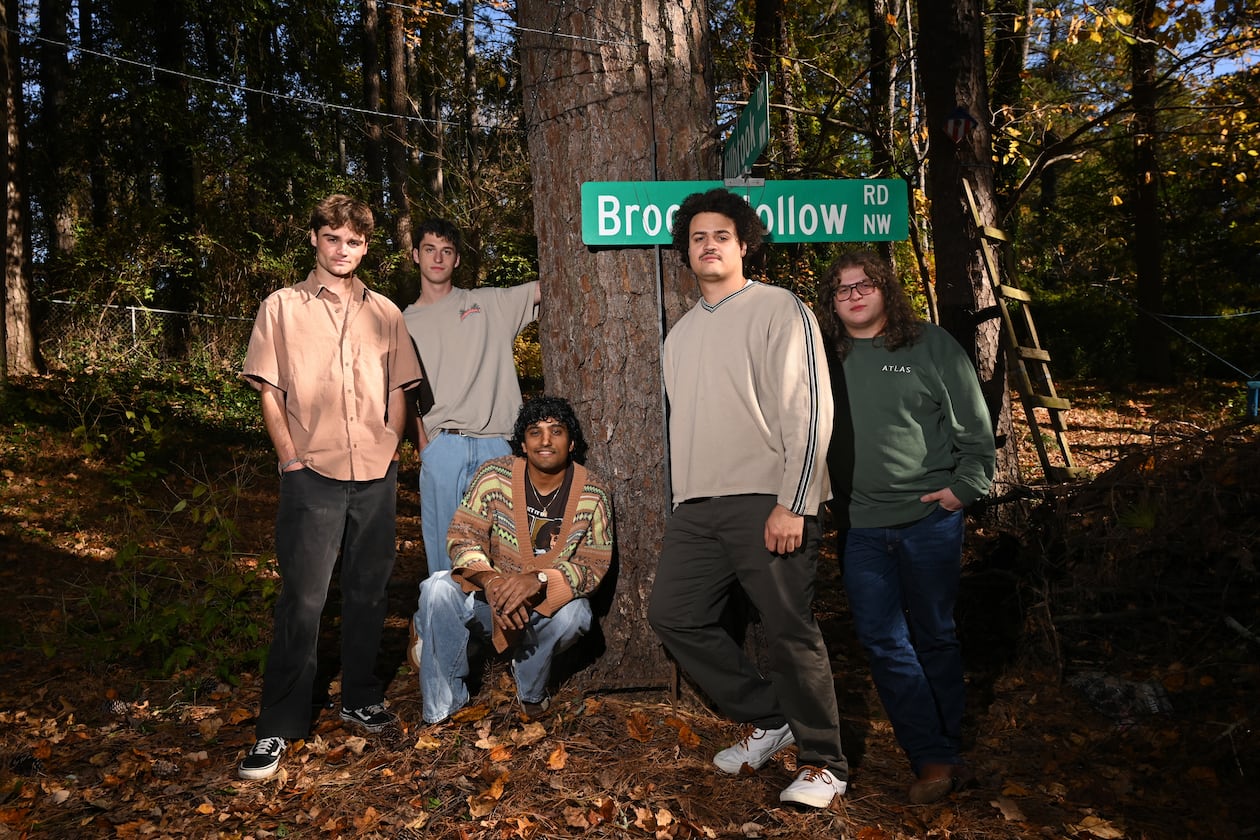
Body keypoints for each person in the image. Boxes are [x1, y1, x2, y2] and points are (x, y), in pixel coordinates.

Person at [647, 188, 849, 809]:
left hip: (769, 499)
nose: (709, 245)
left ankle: (824, 762)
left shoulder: (777, 307)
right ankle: (770, 714)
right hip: (697, 508)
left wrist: (794, 499)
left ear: (744, 245)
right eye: (698, 237)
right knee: (673, 614)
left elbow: (809, 408)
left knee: (790, 631)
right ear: (685, 250)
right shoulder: (677, 335)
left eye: (722, 236)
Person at [237, 194, 423, 781]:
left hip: (374, 472)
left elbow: (401, 385)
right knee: (304, 600)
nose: (343, 250)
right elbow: (268, 389)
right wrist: (289, 458)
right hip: (310, 474)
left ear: (366, 246)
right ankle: (278, 726)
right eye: (333, 238)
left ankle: (361, 697)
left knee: (369, 593)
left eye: (354, 241)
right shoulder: (282, 307)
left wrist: (392, 443)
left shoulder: (387, 312)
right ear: (315, 238)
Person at [817, 250, 995, 805]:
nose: (854, 295)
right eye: (843, 290)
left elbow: (973, 423)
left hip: (928, 519)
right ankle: (933, 757)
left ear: (885, 289)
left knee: (935, 636)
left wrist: (963, 489)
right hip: (861, 525)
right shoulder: (824, 353)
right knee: (882, 641)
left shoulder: (929, 343)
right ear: (832, 302)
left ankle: (946, 744)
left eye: (864, 285)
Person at [415, 396, 613, 724]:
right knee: (436, 588)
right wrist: (491, 581)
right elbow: (464, 535)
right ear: (522, 443)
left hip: (544, 607)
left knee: (576, 615)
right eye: (535, 432)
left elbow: (593, 564)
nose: (546, 440)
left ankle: (530, 690)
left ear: (571, 441)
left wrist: (539, 580)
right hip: (488, 600)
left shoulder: (592, 493)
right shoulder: (494, 475)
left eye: (556, 431)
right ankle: (443, 709)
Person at [401, 220, 540, 666]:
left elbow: (549, 285)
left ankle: (502, 646)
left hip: (499, 445)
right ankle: (439, 645)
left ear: (457, 259)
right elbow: (402, 394)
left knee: (506, 551)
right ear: (416, 256)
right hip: (444, 447)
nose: (438, 257)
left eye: (447, 249)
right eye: (429, 249)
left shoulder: (488, 303)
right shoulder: (401, 322)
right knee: (444, 557)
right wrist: (426, 447)